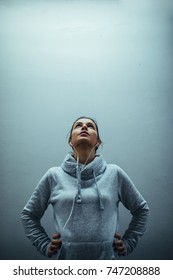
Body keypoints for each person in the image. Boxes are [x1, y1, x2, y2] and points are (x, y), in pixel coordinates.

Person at [21, 116, 149, 260]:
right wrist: (44, 245)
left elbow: (141, 209)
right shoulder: (53, 175)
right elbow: (29, 215)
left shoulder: (114, 173)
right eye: (78, 125)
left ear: (98, 142)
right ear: (70, 140)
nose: (84, 127)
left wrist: (129, 242)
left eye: (90, 126)